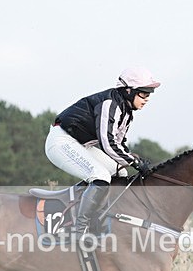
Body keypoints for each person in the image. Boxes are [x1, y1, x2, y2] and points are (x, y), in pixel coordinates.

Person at [45, 67, 159, 243]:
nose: (147, 99)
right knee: (101, 176)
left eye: (149, 94)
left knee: (120, 172)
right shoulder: (110, 104)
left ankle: (102, 222)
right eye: (144, 94)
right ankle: (79, 231)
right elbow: (107, 143)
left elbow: (119, 143)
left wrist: (132, 159)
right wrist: (135, 163)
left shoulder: (127, 112)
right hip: (61, 141)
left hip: (80, 144)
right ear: (128, 91)